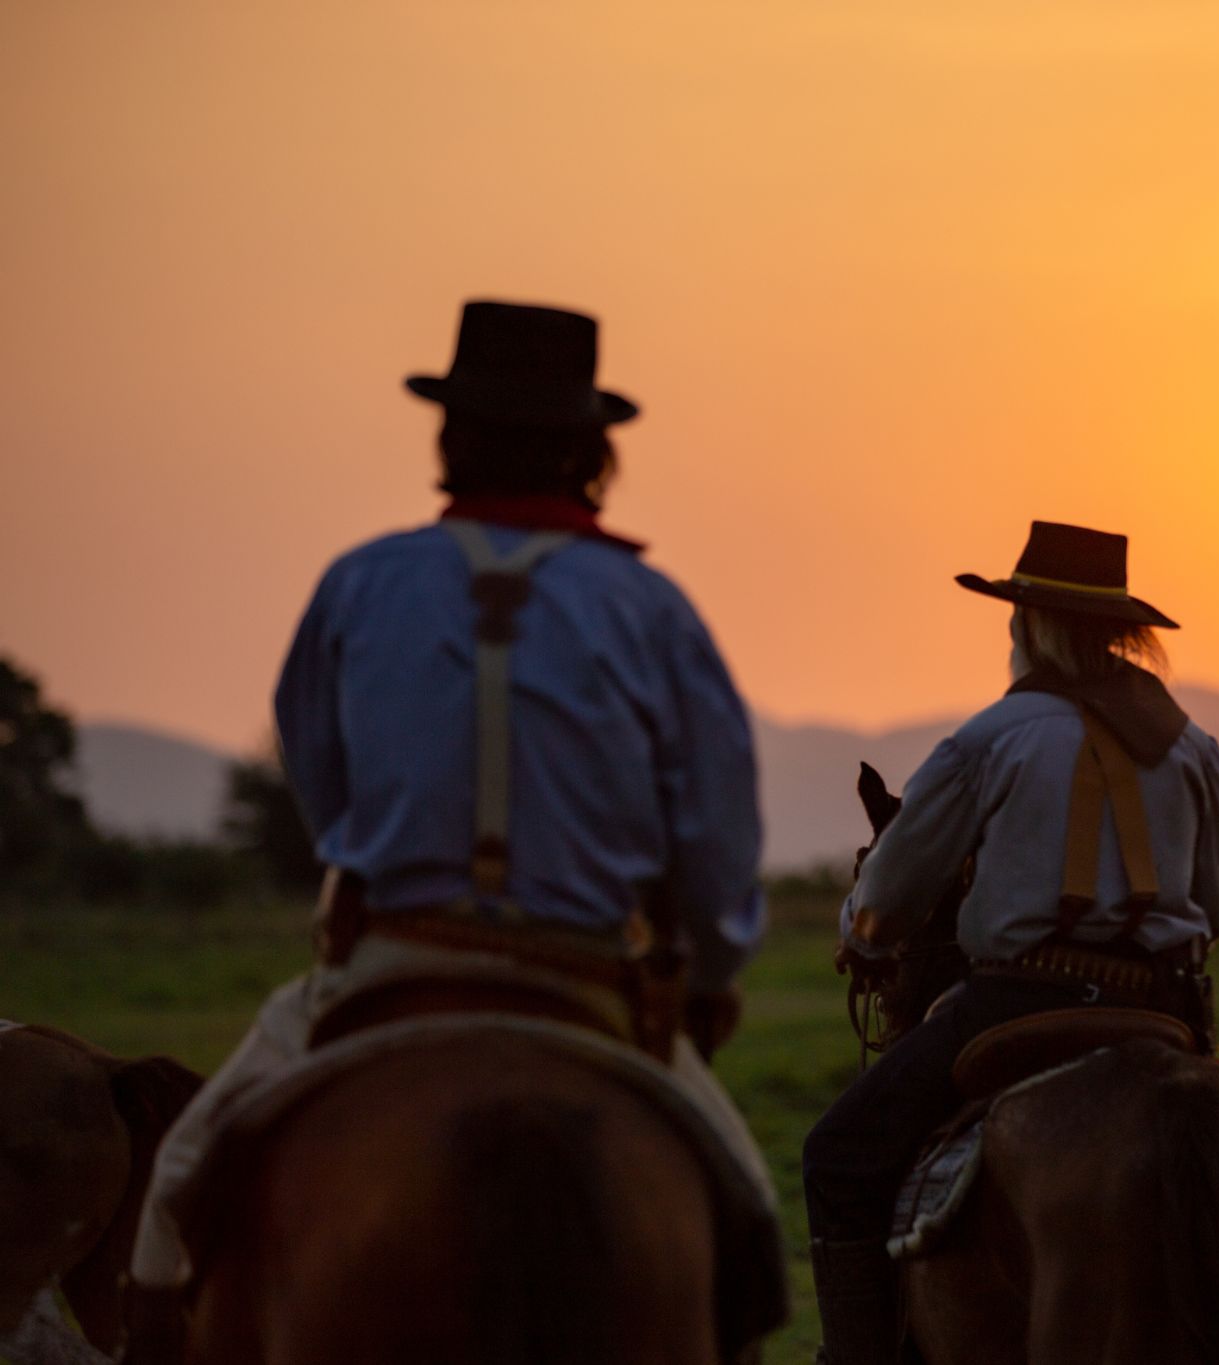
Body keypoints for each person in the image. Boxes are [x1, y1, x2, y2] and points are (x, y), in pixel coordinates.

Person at [126, 300, 773, 1353]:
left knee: (173, 1203)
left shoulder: (359, 583)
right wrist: (709, 970)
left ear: (450, 435)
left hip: (390, 958)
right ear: (588, 449)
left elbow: (322, 784)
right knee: (743, 1232)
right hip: (587, 978)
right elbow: (714, 830)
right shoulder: (650, 608)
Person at [802, 520, 1219, 1365]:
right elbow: (1218, 907)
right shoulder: (1197, 748)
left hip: (1016, 1001)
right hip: (1164, 1006)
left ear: (1029, 626)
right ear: (1119, 630)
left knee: (839, 1154)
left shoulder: (988, 739)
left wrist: (860, 932)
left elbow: (890, 897)